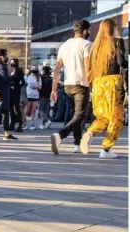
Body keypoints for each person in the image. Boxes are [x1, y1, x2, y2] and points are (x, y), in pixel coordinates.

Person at [80, 19, 127, 159]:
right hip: (113, 82)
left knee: (103, 116)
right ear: (113, 28)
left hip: (98, 82)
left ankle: (90, 133)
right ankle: (106, 149)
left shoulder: (95, 46)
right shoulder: (117, 41)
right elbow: (120, 62)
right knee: (116, 117)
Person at [50, 20, 92, 155]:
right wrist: (92, 83)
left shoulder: (64, 45)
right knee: (79, 115)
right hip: (81, 84)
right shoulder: (86, 44)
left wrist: (54, 89)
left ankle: (76, 144)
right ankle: (60, 136)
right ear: (85, 31)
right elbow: (87, 66)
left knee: (75, 115)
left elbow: (56, 69)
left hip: (67, 85)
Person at [9, 59, 26, 132]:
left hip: (16, 91)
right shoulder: (10, 71)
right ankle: (12, 124)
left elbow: (22, 82)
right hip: (10, 91)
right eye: (11, 62)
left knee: (17, 108)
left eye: (13, 62)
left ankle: (20, 124)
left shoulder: (19, 71)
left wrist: (16, 86)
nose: (11, 63)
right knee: (10, 108)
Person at [25, 65, 42, 130]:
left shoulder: (39, 77)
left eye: (35, 68)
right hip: (29, 95)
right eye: (33, 68)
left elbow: (40, 87)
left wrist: (35, 86)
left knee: (33, 110)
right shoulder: (28, 77)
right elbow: (29, 84)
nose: (34, 69)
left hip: (35, 95)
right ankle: (24, 123)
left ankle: (32, 124)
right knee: (27, 110)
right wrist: (36, 86)